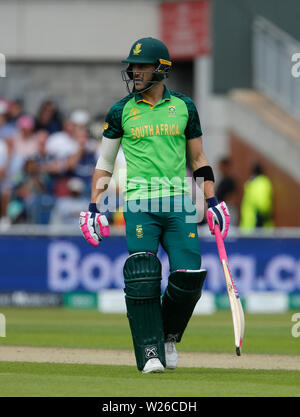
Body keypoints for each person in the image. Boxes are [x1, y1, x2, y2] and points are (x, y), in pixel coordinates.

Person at [79, 37, 230, 374]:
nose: (134, 72)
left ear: (161, 69)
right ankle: (150, 352)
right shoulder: (121, 111)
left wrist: (212, 199)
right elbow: (104, 163)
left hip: (179, 203)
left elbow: (198, 158)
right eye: (133, 66)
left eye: (142, 66)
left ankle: (167, 337)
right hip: (139, 204)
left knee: (189, 276)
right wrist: (93, 206)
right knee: (143, 276)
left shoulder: (185, 107)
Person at [239, 163, 273, 232]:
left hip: (249, 223)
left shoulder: (251, 183)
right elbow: (263, 204)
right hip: (257, 223)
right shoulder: (262, 182)